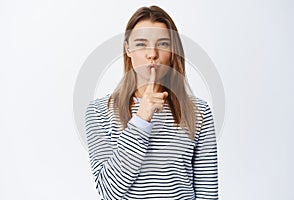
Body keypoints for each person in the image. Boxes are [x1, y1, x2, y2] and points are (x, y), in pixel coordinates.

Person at [85, 5, 218, 200]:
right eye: (141, 44)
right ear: (127, 49)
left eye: (163, 44)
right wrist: (141, 120)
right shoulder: (98, 112)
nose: (152, 54)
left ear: (173, 51)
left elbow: (208, 194)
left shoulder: (198, 112)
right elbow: (109, 192)